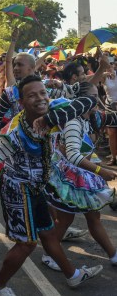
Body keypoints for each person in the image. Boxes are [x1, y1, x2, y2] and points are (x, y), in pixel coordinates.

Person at [0, 75, 104, 296]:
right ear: (22, 103)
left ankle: (73, 276)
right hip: (16, 190)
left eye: (43, 93)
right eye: (32, 96)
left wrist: (52, 115)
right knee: (27, 244)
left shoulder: (53, 115)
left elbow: (88, 100)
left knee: (49, 234)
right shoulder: (15, 136)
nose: (40, 99)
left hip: (36, 187)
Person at [43, 82, 117, 271]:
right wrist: (102, 171)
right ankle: (49, 255)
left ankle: (113, 254)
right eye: (93, 96)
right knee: (66, 220)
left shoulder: (90, 118)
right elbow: (74, 155)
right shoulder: (74, 121)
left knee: (94, 216)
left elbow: (112, 118)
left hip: (82, 176)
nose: (97, 100)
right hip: (68, 179)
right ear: (80, 101)